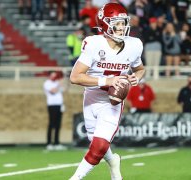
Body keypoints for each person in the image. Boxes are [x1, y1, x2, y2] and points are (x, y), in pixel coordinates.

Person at [69, 3, 145, 180]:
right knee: (97, 145)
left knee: (99, 147)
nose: (121, 27)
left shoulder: (134, 45)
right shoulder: (94, 43)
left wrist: (137, 77)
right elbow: (75, 77)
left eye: (123, 23)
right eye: (116, 23)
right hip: (91, 97)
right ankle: (113, 161)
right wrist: (107, 80)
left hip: (112, 101)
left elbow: (140, 68)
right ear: (104, 23)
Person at [43, 71, 67, 151]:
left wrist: (64, 81)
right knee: (51, 124)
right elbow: (53, 91)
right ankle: (49, 143)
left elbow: (65, 90)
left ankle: (57, 143)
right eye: (52, 75)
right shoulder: (47, 83)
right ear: (49, 76)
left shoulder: (57, 82)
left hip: (59, 105)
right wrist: (58, 84)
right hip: (52, 105)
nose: (54, 77)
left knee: (58, 124)